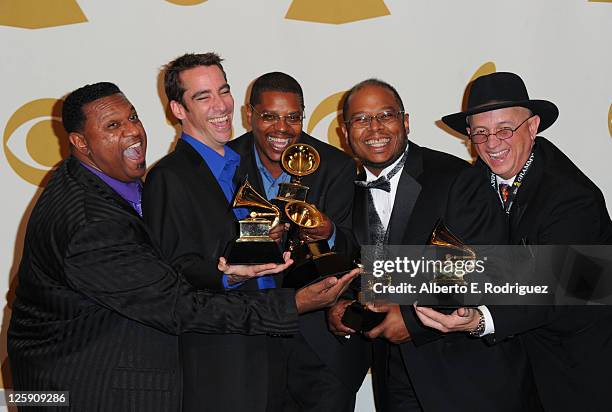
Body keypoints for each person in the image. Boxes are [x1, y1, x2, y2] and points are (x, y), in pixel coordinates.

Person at [7, 81, 357, 411]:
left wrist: (230, 275)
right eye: (112, 126)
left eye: (132, 117)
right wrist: (293, 304)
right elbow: (178, 306)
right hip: (86, 388)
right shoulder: (91, 225)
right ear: (81, 143)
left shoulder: (109, 183)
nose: (132, 131)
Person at [328, 78, 540, 411]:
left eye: (385, 115)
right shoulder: (344, 191)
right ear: (345, 132)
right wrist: (344, 306)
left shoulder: (457, 178)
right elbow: (365, 266)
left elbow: (487, 268)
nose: (374, 128)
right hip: (393, 378)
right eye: (361, 119)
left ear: (406, 122)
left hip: (465, 376)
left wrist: (411, 319)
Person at [415, 71, 612, 411]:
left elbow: (554, 289)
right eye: (480, 133)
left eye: (505, 129)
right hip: (512, 367)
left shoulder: (572, 198)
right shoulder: (473, 179)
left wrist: (478, 320)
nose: (492, 144)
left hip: (577, 366)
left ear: (532, 127)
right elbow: (449, 251)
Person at [228, 71, 366, 411]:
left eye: (293, 117)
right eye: (269, 116)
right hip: (248, 344)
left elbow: (358, 248)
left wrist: (329, 232)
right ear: (250, 115)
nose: (282, 128)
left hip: (321, 348)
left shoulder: (336, 165)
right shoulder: (224, 163)